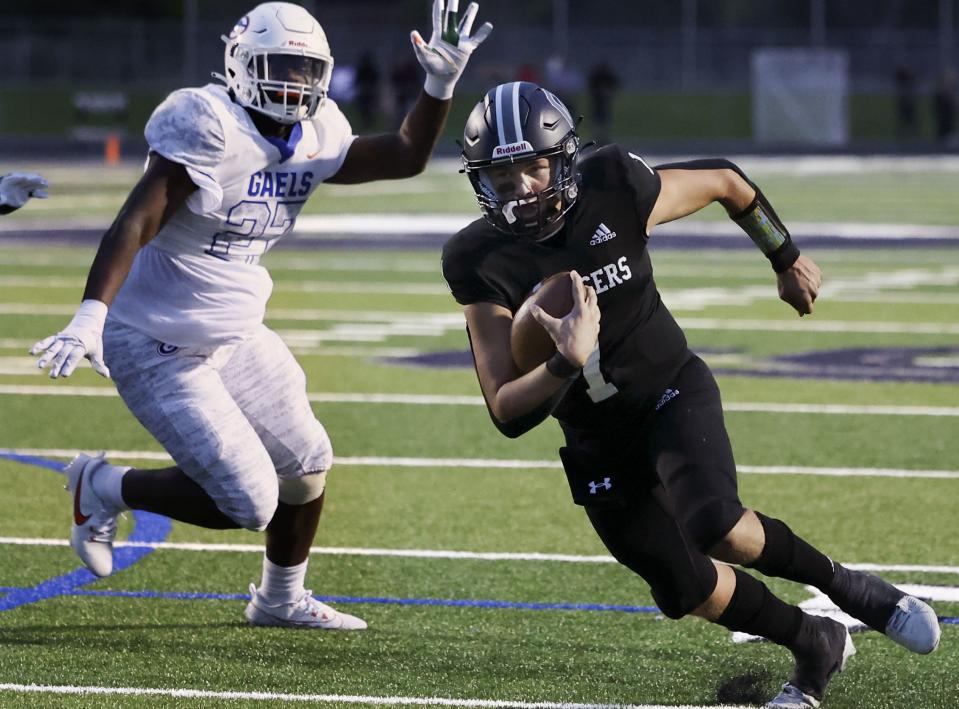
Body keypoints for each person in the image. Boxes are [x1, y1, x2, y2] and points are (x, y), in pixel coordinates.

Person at [441, 82, 941, 708]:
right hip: (597, 441)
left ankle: (848, 588)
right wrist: (562, 365)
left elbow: (728, 182)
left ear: (563, 157)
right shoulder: (476, 257)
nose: (522, 191)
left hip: (668, 389)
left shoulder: (613, 184)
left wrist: (782, 256)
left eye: (533, 168)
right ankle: (814, 642)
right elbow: (505, 409)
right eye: (503, 177)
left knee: (716, 525)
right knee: (684, 589)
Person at [30, 0, 491, 631]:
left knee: (306, 464)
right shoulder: (208, 121)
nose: (294, 84)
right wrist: (89, 313)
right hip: (156, 337)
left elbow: (406, 154)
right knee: (251, 501)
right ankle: (105, 486)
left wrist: (439, 85)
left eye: (305, 71)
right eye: (280, 67)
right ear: (241, 65)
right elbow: (135, 219)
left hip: (237, 329)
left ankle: (279, 599)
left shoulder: (319, 129)